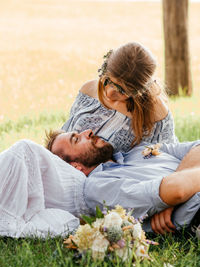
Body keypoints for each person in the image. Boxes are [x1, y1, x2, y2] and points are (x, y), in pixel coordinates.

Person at [46, 129, 200, 235]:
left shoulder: (137, 151)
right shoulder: (98, 187)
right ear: (76, 166)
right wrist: (177, 185)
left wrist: (169, 203)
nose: (88, 132)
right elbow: (178, 190)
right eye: (77, 139)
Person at [62, 42, 177, 153]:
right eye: (108, 80)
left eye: (122, 91)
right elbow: (63, 137)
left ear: (139, 91)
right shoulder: (89, 91)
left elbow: (165, 160)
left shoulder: (155, 115)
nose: (109, 94)